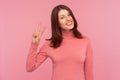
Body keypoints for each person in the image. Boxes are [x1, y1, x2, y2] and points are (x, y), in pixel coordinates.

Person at [26, 4, 93, 80]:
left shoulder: (85, 41)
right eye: (62, 17)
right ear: (57, 23)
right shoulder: (50, 44)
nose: (68, 19)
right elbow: (30, 68)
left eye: (69, 15)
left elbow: (89, 73)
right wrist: (34, 44)